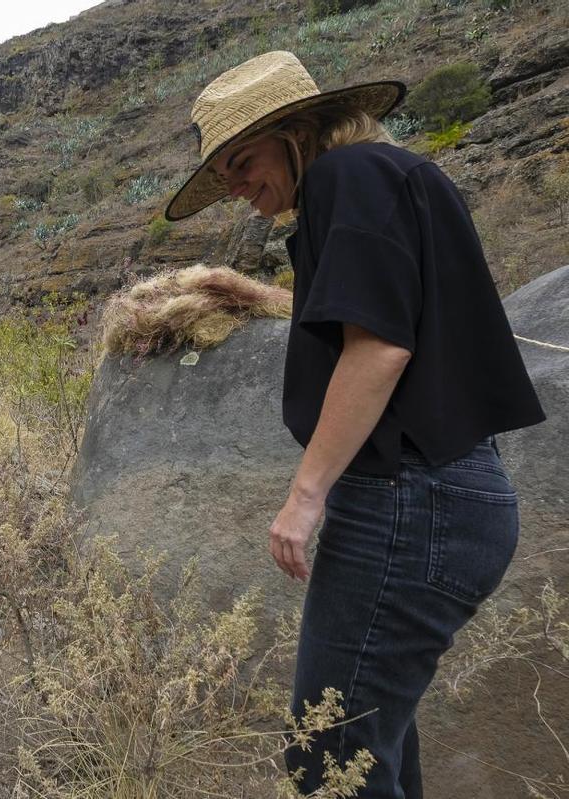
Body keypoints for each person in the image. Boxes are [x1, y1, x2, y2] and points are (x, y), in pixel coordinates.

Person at [164, 51, 545, 796]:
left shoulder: (349, 177)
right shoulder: (390, 179)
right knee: (372, 744)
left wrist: (304, 497)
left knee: (328, 755)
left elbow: (379, 348)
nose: (235, 186)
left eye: (242, 161)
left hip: (411, 501)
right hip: (441, 498)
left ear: (298, 131)